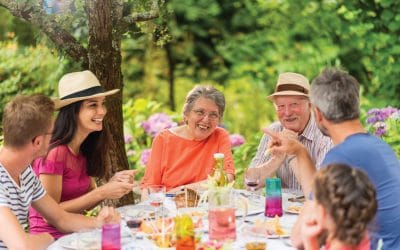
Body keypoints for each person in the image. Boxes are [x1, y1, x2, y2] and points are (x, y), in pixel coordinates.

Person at [266, 68, 400, 250]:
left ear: (318, 114)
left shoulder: (342, 155)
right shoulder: (379, 147)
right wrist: (300, 151)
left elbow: (299, 238)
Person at [0, 94, 119, 249]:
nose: (55, 137)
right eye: (51, 132)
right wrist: (48, 238)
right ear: (37, 141)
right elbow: (23, 246)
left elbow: (61, 218)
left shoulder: (25, 174)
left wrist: (99, 223)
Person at [29, 70, 135, 239]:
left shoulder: (84, 149)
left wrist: (112, 186)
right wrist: (103, 192)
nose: (102, 111)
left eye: (102, 103)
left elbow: (87, 199)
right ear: (73, 111)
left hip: (78, 233)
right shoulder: (56, 153)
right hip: (51, 241)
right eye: (93, 105)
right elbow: (48, 215)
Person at [141, 85, 235, 194]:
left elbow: (228, 177)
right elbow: (150, 187)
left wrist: (181, 191)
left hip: (207, 206)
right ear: (186, 114)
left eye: (213, 115)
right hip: (170, 207)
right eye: (200, 112)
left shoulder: (220, 135)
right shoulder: (163, 139)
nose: (206, 120)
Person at [248, 72, 332, 193]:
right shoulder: (274, 132)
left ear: (310, 105)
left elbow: (318, 193)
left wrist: (292, 151)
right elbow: (250, 184)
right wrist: (276, 159)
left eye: (294, 104)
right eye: (281, 106)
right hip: (282, 211)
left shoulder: (325, 136)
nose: (287, 113)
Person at [301, 163, 377, 250]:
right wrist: (310, 241)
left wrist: (308, 242)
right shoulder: (360, 235)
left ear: (322, 211)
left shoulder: (337, 245)